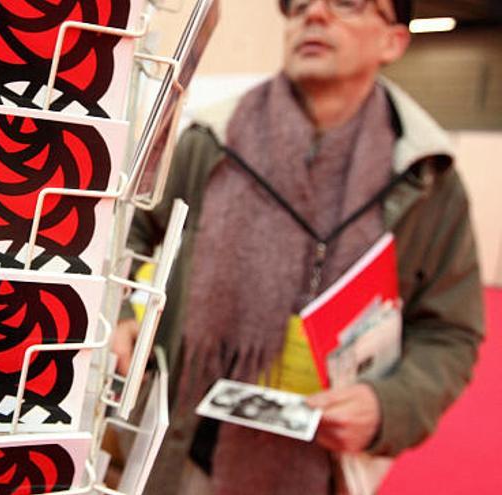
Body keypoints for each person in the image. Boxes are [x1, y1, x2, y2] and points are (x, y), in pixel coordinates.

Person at [114, 0, 485, 493]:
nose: (315, 15)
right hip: (179, 449)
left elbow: (449, 330)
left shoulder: (426, 177)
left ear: (393, 40)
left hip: (318, 465)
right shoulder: (209, 141)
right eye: (300, 5)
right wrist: (118, 317)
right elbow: (130, 230)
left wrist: (388, 405)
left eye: (347, 4)